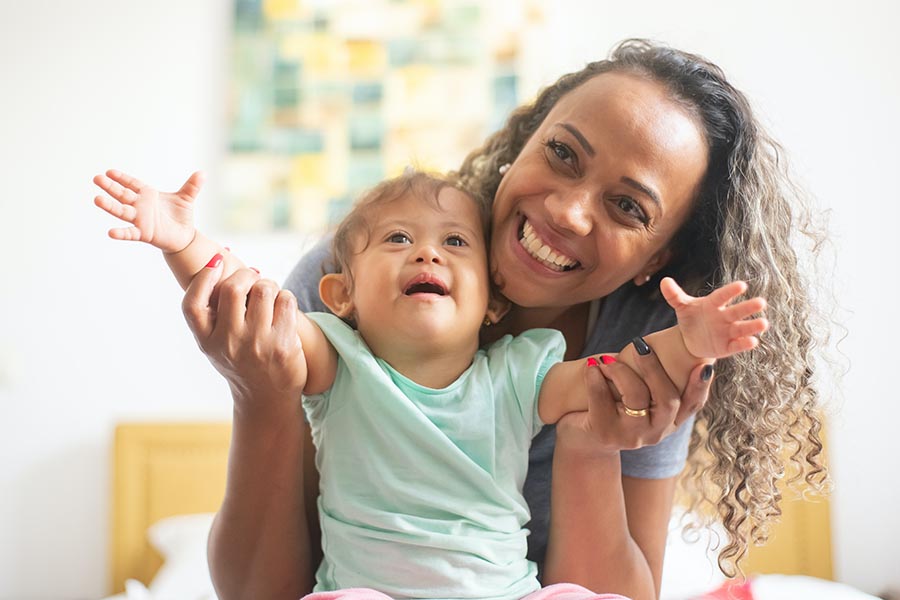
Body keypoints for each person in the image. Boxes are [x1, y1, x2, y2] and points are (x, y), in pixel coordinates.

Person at [173, 39, 828, 600]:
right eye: (563, 154)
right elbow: (262, 592)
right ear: (523, 143)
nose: (569, 212)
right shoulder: (372, 272)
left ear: (655, 258)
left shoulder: (647, 340)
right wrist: (261, 394)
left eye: (627, 206)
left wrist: (589, 445)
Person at [93, 165, 767, 600]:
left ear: (492, 304)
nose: (426, 252)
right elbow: (250, 305)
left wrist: (692, 342)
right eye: (397, 240)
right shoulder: (336, 357)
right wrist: (184, 244)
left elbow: (618, 381)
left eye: (454, 243)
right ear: (341, 294)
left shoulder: (520, 372)